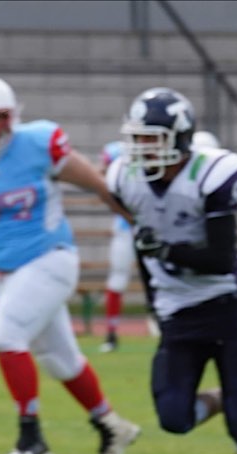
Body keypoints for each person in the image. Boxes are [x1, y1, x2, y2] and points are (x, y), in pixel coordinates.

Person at [0, 75, 142, 454]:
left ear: (12, 115)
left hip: (51, 257)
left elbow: (100, 186)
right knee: (60, 360)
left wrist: (140, 225)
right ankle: (111, 425)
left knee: (3, 335)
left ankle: (30, 435)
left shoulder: (38, 144)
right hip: (7, 269)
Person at [110, 88, 237, 454]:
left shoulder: (212, 174)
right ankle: (225, 398)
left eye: (153, 139)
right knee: (173, 418)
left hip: (226, 305)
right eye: (139, 139)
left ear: (180, 140)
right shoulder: (126, 179)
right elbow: (145, 253)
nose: (143, 149)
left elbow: (221, 257)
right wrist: (153, 306)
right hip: (178, 312)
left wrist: (166, 249)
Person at [96, 139, 134, 352]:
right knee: (117, 280)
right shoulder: (114, 150)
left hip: (155, 222)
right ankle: (111, 334)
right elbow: (99, 176)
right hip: (125, 226)